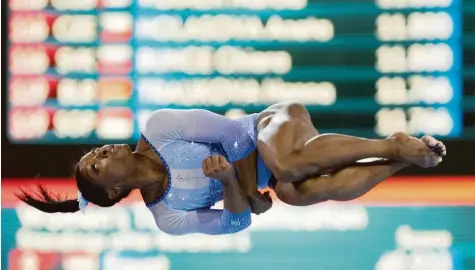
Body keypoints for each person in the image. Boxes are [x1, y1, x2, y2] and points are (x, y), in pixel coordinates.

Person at [17, 102, 446, 235]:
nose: (102, 151)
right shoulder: (168, 217)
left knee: (286, 166)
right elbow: (235, 221)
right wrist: (230, 184)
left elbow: (237, 139)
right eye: (97, 165)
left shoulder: (159, 129)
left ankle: (388, 144)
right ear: (112, 193)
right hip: (273, 176)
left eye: (96, 152)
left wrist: (247, 190)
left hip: (271, 126)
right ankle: (400, 160)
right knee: (296, 193)